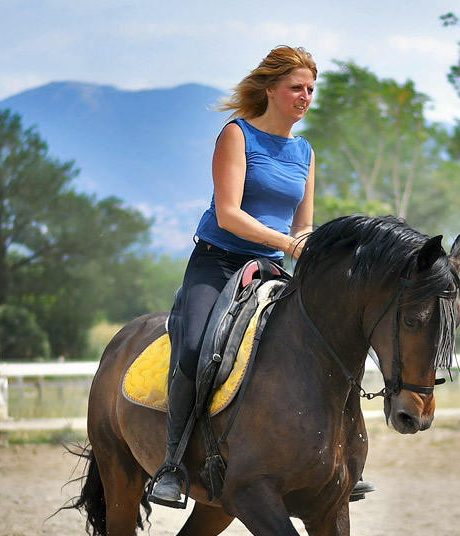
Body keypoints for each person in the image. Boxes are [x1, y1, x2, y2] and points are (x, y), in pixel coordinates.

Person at [149, 45, 373, 508]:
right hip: (219, 261)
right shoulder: (236, 135)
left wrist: (307, 246)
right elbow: (229, 214)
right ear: (271, 90)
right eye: (296, 87)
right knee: (193, 348)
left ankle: (343, 459)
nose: (305, 96)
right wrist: (289, 243)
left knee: (328, 345)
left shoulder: (305, 152)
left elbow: (303, 225)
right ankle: (172, 464)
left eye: (311, 88)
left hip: (273, 268)